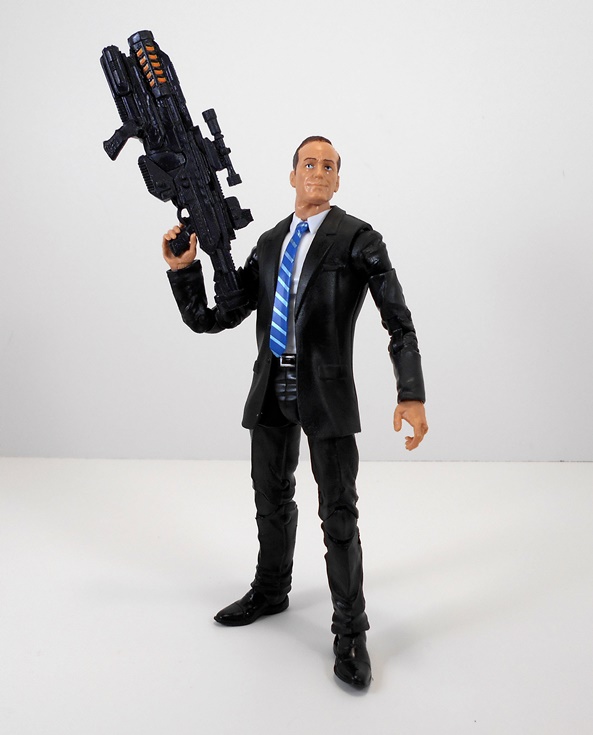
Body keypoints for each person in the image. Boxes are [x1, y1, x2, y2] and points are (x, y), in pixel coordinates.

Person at [162, 136, 428, 689]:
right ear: (292, 175)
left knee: (339, 513)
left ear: (338, 179)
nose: (319, 172)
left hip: (325, 391)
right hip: (271, 385)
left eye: (329, 166)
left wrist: (411, 393)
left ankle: (351, 630)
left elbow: (398, 320)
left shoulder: (358, 239)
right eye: (310, 163)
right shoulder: (270, 242)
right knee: (270, 498)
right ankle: (270, 588)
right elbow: (216, 317)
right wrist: (185, 270)